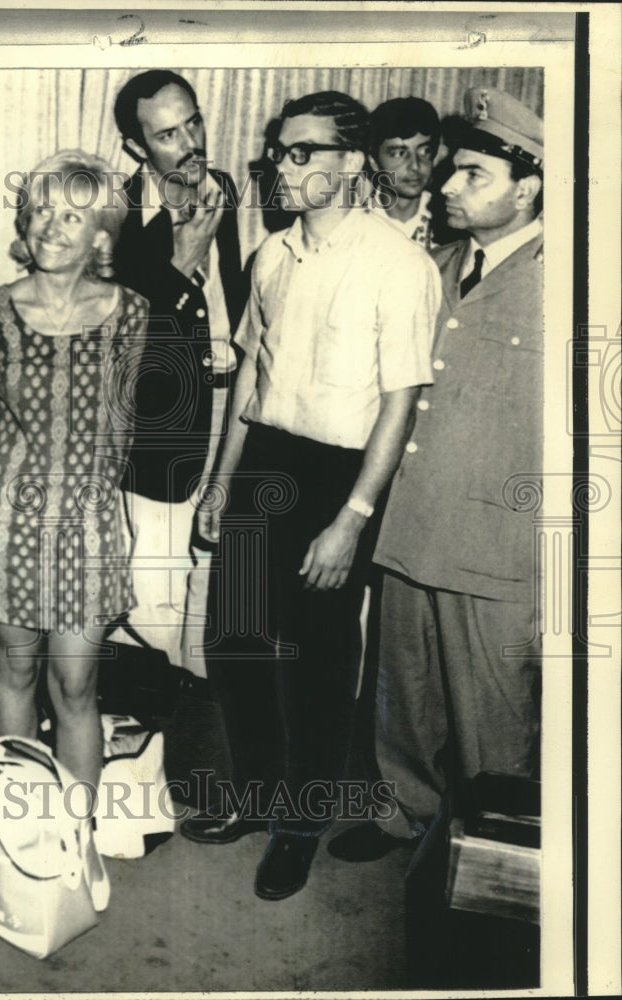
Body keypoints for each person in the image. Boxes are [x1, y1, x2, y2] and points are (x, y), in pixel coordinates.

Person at [185, 91, 441, 901]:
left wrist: (351, 521)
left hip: (340, 475)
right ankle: (258, 797)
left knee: (315, 663)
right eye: (277, 153)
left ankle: (299, 825)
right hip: (264, 457)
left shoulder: (397, 262)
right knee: (236, 641)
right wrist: (220, 483)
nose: (281, 167)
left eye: (301, 153)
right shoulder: (269, 255)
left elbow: (399, 401)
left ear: (351, 164)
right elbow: (251, 379)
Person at [329, 86, 543, 863]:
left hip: (499, 548)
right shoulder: (437, 264)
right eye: (450, 171)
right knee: (404, 697)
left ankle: (491, 855)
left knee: (492, 717)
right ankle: (401, 816)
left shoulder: (577, 281)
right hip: (412, 521)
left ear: (529, 188)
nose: (445, 186)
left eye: (471, 175)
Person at [0, 151, 145, 822]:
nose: (51, 226)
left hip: (87, 525)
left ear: (101, 236)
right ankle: (22, 838)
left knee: (75, 685)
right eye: (42, 209)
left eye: (73, 215)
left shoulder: (131, 314)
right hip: (7, 525)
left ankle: (74, 839)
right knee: (14, 675)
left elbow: (124, 427)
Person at [111, 70, 247, 670]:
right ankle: (183, 693)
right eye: (168, 134)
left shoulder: (223, 189)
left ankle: (199, 721)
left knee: (216, 576)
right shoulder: (114, 218)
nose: (191, 141)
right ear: (138, 148)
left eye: (194, 122)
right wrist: (179, 264)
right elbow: (120, 348)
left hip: (234, 406)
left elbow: (233, 296)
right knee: (151, 595)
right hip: (161, 421)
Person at [368, 96, 441, 250]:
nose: (415, 165)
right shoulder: (354, 221)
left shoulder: (450, 222)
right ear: (374, 162)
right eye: (399, 153)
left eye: (424, 151)